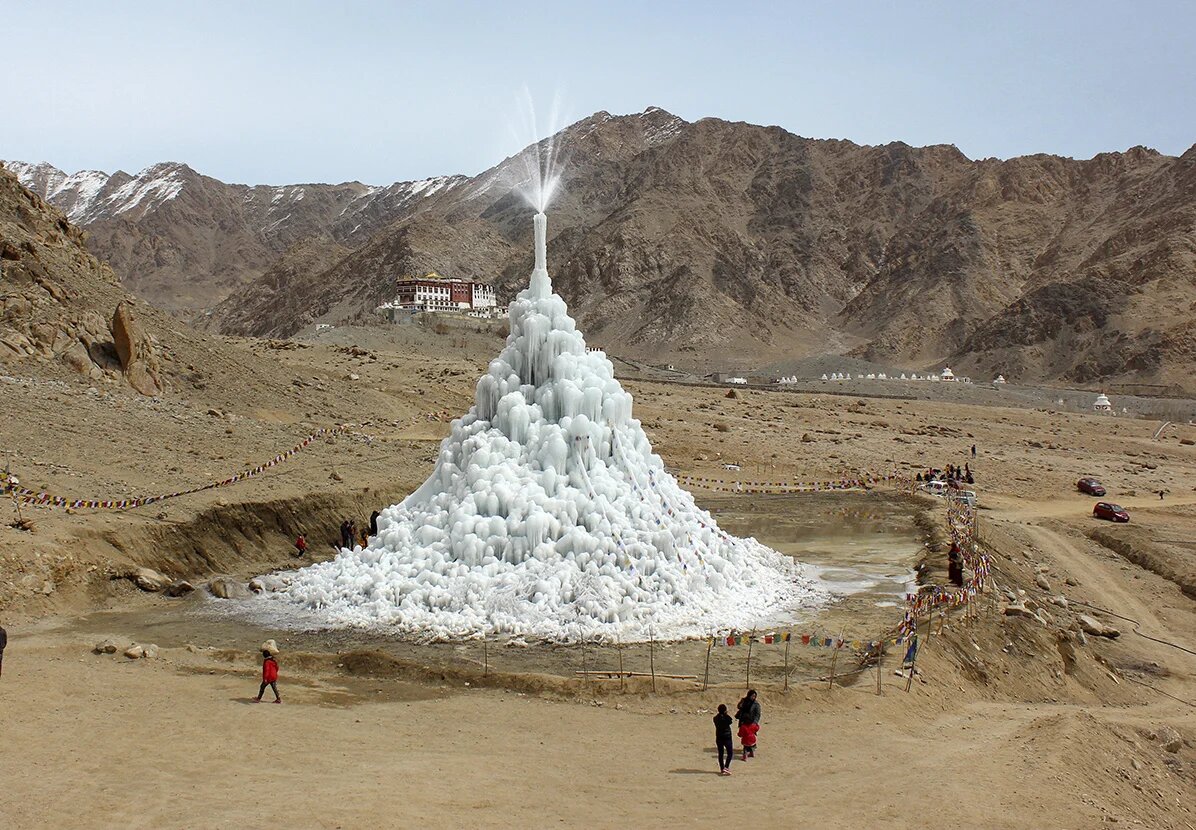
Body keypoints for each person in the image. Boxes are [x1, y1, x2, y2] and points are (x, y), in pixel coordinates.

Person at [736, 690, 761, 760]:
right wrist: (741, 704)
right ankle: (750, 750)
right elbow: (739, 707)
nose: (753, 697)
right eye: (752, 696)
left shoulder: (756, 704)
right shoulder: (744, 701)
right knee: (745, 735)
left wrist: (755, 723)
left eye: (755, 696)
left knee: (750, 737)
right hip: (743, 721)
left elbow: (757, 714)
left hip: (751, 722)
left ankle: (748, 751)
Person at [714, 704, 734, 775]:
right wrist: (726, 714)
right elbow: (730, 721)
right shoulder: (726, 718)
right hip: (727, 737)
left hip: (719, 737)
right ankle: (726, 767)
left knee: (721, 754)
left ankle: (722, 768)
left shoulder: (715, 718)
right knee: (730, 753)